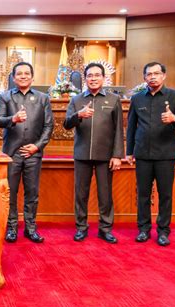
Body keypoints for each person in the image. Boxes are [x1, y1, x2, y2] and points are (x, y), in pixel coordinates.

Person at [126, 61, 175, 246]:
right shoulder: (137, 98)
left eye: (156, 73)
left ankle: (163, 231)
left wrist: (174, 119)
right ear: (144, 77)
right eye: (149, 74)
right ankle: (144, 229)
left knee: (165, 194)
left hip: (165, 154)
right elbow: (131, 127)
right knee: (143, 194)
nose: (153, 77)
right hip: (143, 154)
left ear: (164, 76)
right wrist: (129, 152)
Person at [63, 62, 124, 244]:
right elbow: (66, 124)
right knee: (81, 194)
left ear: (104, 78)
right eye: (90, 75)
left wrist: (117, 155)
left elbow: (119, 129)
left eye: (97, 75)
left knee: (105, 195)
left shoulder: (113, 99)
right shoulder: (76, 100)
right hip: (82, 155)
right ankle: (81, 227)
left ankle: (105, 229)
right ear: (85, 79)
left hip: (106, 156)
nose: (93, 78)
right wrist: (78, 115)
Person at [0, 61, 54, 243]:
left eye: (26, 73)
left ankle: (30, 228)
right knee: (10, 192)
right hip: (11, 153)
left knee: (32, 192)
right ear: (13, 78)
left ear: (32, 76)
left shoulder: (43, 98)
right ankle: (11, 227)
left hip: (33, 153)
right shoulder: (5, 97)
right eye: (19, 74)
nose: (23, 76)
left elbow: (48, 126)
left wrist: (37, 146)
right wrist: (13, 118)